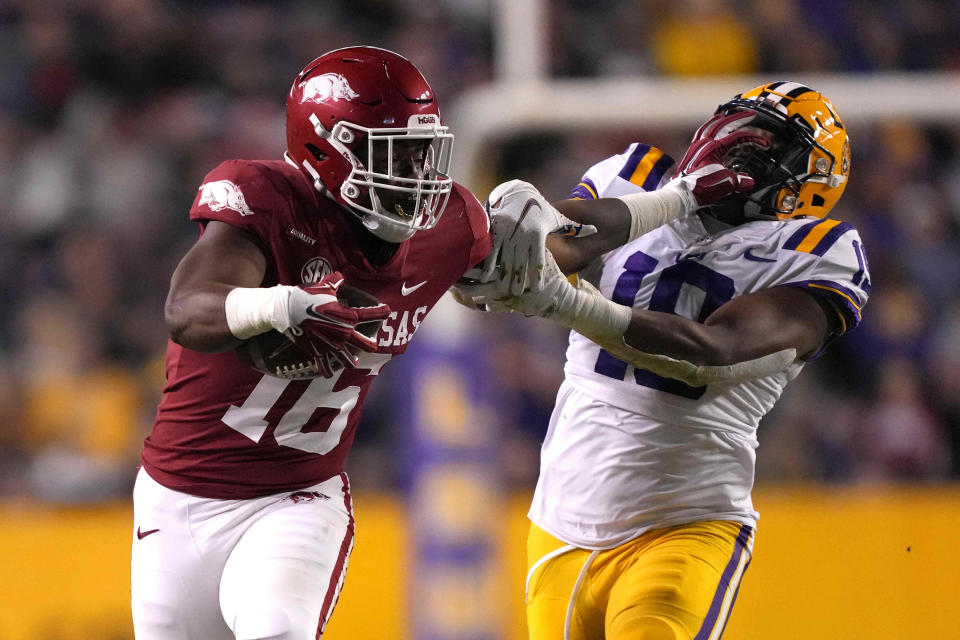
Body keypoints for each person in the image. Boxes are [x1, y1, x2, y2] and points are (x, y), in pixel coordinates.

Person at [458, 82, 867, 639]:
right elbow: (551, 247)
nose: (737, 142)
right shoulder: (635, 173)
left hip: (686, 522)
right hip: (559, 520)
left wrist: (568, 302)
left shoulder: (821, 250)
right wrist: (684, 197)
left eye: (770, 142)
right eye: (738, 123)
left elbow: (713, 355)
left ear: (808, 186)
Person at [131, 46, 491, 640]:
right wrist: (287, 304)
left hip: (296, 498)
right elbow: (186, 309)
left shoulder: (453, 225)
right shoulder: (266, 197)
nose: (414, 172)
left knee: (277, 630)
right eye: (393, 152)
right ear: (327, 148)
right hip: (178, 499)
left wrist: (667, 204)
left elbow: (547, 257)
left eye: (421, 149)